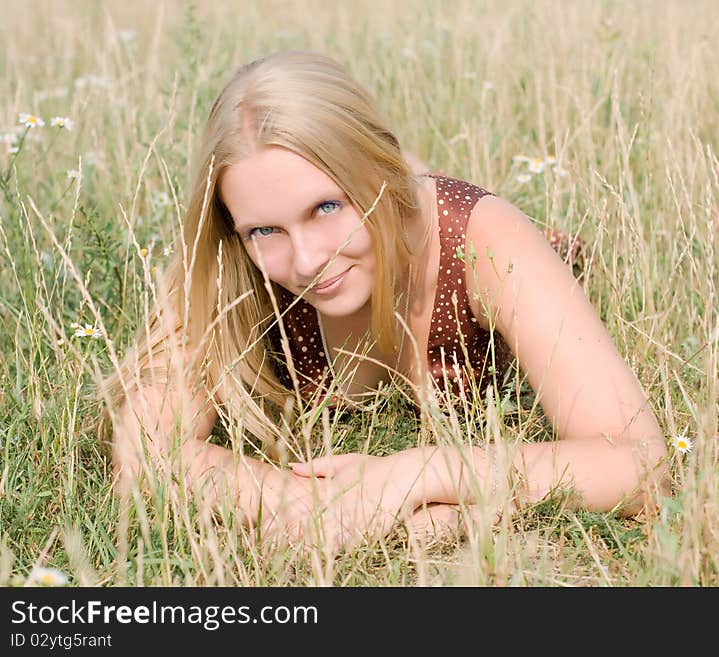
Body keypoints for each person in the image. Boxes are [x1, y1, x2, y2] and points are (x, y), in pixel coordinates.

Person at [96, 50, 670, 553]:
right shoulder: (230, 255)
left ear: (379, 177)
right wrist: (300, 501)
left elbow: (641, 464)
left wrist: (418, 473)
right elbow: (145, 449)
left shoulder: (481, 240)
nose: (305, 260)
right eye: (265, 230)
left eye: (326, 208)